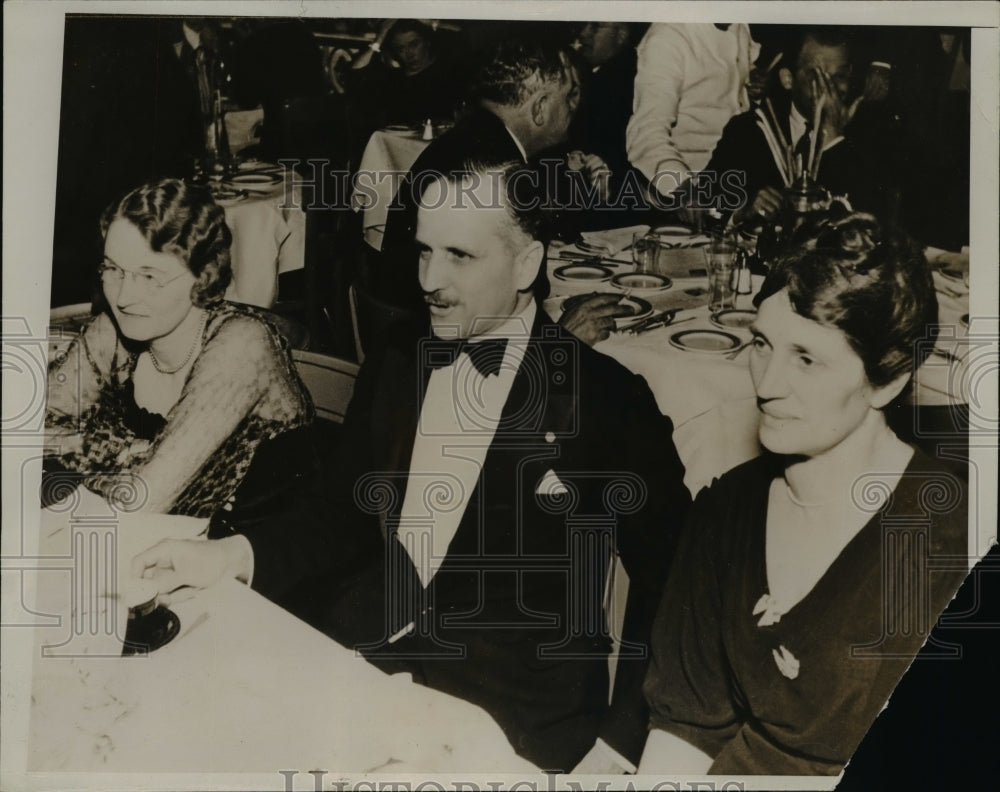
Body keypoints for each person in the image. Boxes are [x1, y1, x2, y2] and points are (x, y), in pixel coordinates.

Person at [131, 161, 692, 773]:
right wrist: (230, 556)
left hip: (515, 718)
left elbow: (677, 583)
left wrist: (618, 746)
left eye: (459, 256)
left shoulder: (606, 401)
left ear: (527, 265)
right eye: (424, 250)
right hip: (364, 669)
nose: (430, 280)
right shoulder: (400, 358)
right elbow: (338, 510)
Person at [638, 211, 968, 775]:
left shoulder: (949, 543)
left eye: (806, 359)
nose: (767, 385)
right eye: (762, 344)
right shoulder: (726, 509)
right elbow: (685, 730)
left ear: (887, 380)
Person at [45, 178, 313, 519]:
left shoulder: (242, 345)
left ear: (203, 275)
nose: (123, 298)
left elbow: (142, 503)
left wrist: (95, 452)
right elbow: (30, 430)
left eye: (149, 277)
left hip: (260, 540)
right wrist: (124, 452)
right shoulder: (115, 329)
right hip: (164, 536)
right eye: (113, 269)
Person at [374, 35, 624, 346]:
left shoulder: (475, 139)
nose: (575, 107)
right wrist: (561, 339)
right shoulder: (498, 168)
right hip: (436, 347)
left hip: (402, 324)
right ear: (540, 108)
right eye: (569, 96)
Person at [701, 28, 891, 227]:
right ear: (788, 80)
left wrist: (834, 138)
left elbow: (873, 223)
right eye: (817, 75)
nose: (831, 88)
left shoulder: (869, 133)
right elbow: (703, 204)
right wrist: (740, 213)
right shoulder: (748, 130)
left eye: (840, 76)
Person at [626, 23, 759, 199]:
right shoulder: (667, 37)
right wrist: (685, 190)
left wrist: (753, 82)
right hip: (684, 185)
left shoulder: (739, 26)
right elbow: (646, 133)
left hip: (738, 176)